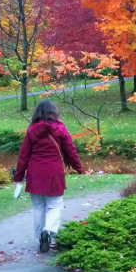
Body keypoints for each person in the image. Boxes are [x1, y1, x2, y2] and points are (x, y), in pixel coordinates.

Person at [13, 99, 85, 253]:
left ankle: (40, 236)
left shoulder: (31, 130)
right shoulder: (60, 128)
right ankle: (49, 231)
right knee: (55, 206)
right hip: (54, 173)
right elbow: (71, 149)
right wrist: (79, 168)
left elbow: (23, 155)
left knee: (39, 207)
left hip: (35, 173)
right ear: (54, 112)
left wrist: (18, 177)